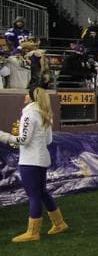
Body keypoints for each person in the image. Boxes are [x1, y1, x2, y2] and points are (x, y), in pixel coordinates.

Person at [0, 88, 68, 242]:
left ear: (31, 98)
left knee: (34, 195)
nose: (24, 96)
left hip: (30, 160)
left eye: (27, 94)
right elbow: (48, 140)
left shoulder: (29, 114)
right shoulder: (44, 114)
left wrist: (3, 136)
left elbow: (23, 140)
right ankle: (59, 223)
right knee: (42, 192)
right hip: (41, 159)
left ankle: (33, 232)